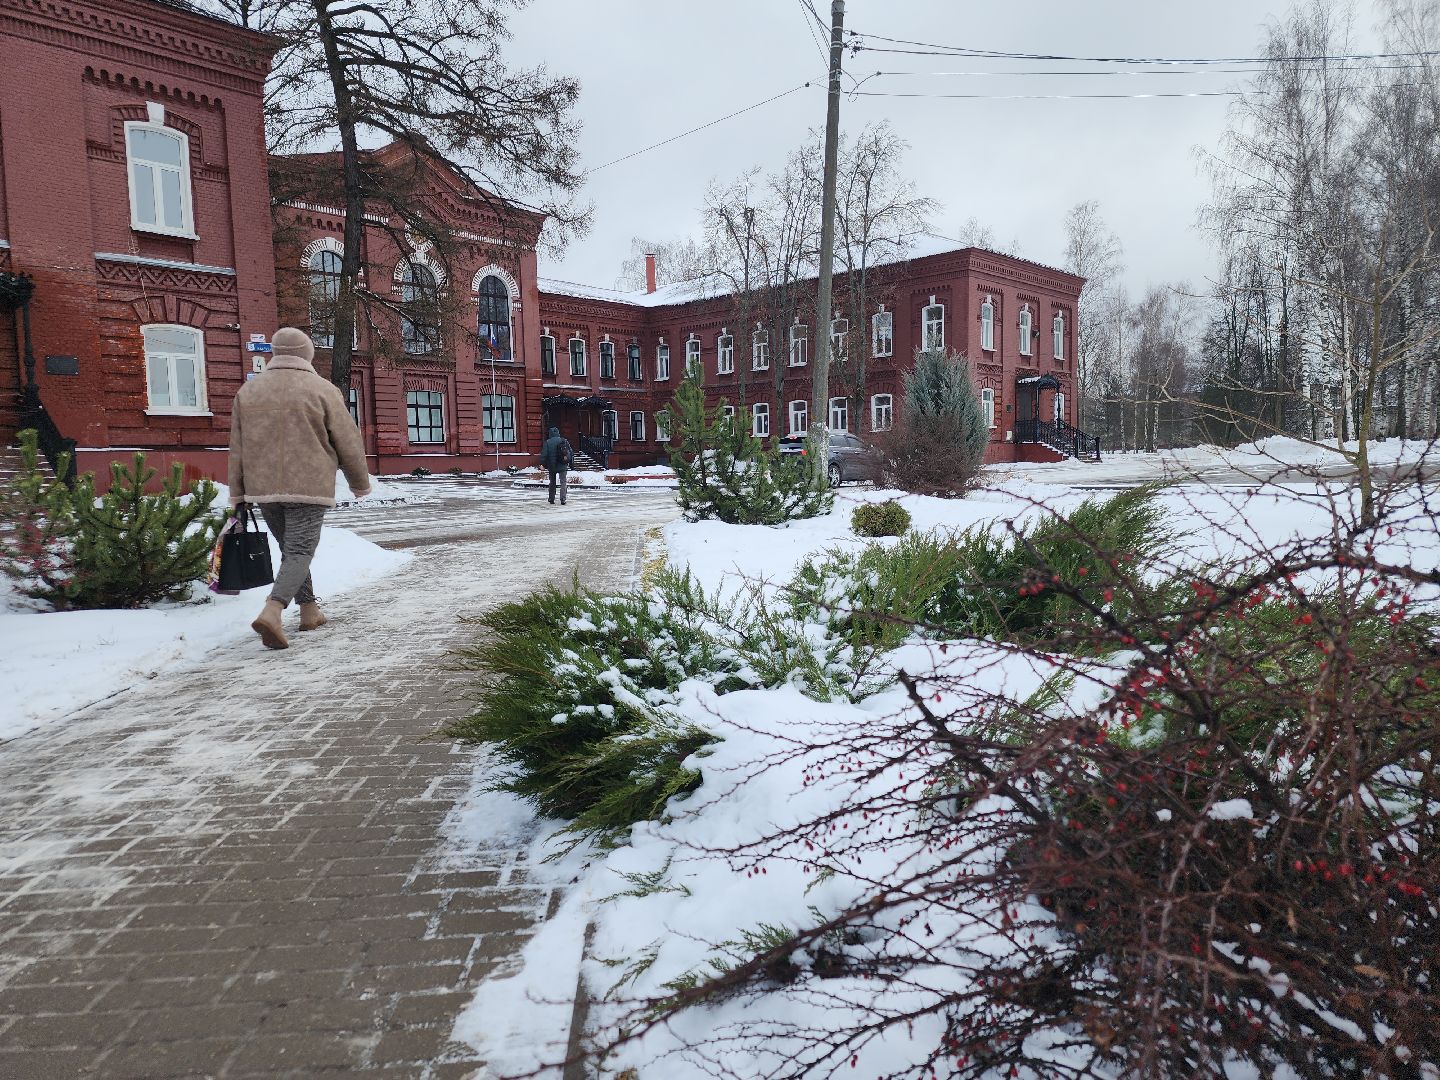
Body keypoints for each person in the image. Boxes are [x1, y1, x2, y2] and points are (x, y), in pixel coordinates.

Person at [227, 327, 370, 650]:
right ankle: (273, 610)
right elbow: (348, 440)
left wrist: (238, 493)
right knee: (300, 552)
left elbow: (237, 448)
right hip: (308, 485)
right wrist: (359, 482)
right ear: (306, 353)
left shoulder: (248, 392)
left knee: (292, 553)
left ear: (276, 353)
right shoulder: (322, 390)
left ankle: (309, 610)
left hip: (263, 489)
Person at [539, 425, 574, 505]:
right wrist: (569, 462)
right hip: (563, 465)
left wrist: (542, 464)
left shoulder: (547, 442)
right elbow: (571, 452)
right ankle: (563, 499)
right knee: (563, 482)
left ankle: (551, 499)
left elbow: (544, 454)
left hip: (552, 466)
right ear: (558, 433)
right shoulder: (564, 440)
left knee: (552, 482)